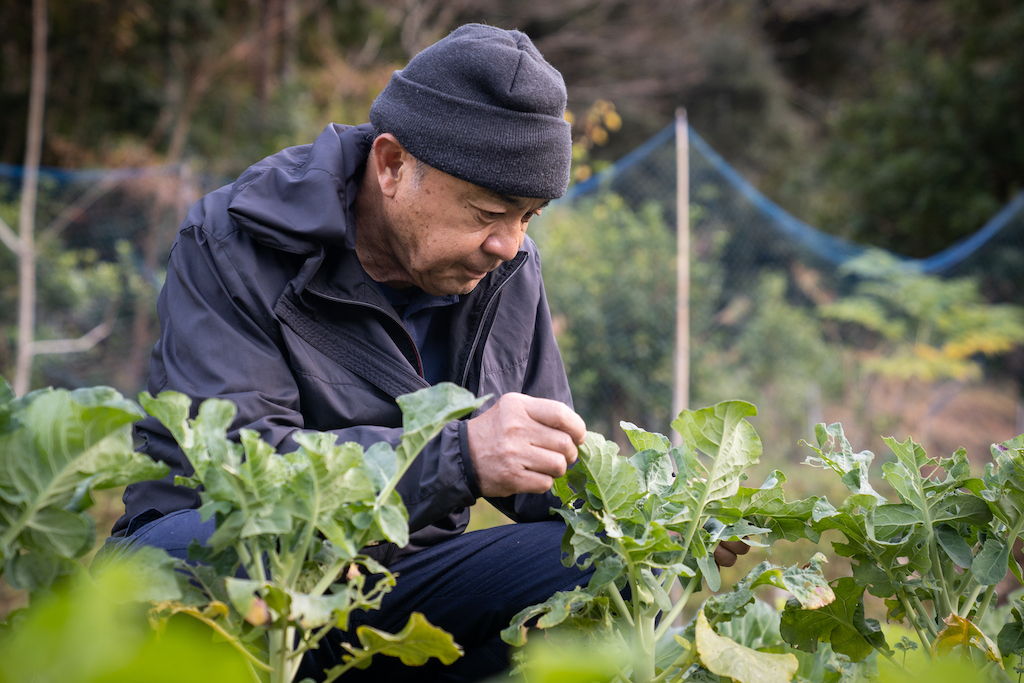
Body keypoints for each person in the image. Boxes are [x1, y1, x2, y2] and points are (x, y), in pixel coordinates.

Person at [110, 23, 745, 682]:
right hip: (218, 558)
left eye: (528, 217)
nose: (508, 243)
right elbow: (242, 476)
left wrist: (659, 515)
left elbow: (546, 468)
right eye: (488, 212)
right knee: (196, 565)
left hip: (396, 587)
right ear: (391, 165)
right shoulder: (235, 241)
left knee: (610, 567)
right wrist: (459, 457)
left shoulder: (504, 267)